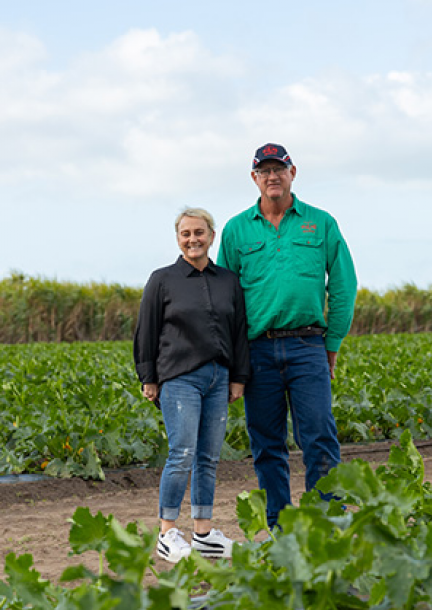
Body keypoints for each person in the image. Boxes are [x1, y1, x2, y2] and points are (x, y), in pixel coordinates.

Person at [218, 143, 358, 529]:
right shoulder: (236, 229)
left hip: (307, 346)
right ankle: (280, 526)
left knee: (319, 437)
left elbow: (343, 285)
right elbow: (225, 298)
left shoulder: (320, 222)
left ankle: (326, 521)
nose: (272, 177)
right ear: (254, 179)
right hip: (256, 351)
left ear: (293, 173)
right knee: (267, 445)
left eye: (279, 169)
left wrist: (332, 344)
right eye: (264, 171)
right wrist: (233, 359)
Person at [134, 207, 251, 563]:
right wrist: (148, 376)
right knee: (182, 453)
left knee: (208, 457)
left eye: (199, 232)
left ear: (211, 236)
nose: (192, 239)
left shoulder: (227, 281)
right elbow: (146, 330)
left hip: (218, 378)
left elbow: (239, 331)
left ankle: (203, 533)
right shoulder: (163, 280)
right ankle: (167, 533)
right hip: (179, 377)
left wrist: (238, 377)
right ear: (178, 238)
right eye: (185, 234)